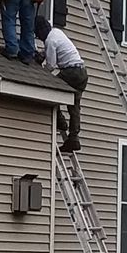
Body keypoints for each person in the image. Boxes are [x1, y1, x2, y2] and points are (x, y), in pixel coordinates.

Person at [36, 14, 88, 153]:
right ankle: (74, 138)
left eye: (38, 35)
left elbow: (51, 66)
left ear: (41, 31)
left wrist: (39, 68)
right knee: (74, 106)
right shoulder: (57, 32)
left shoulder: (50, 41)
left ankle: (60, 121)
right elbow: (59, 51)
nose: (39, 38)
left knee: (53, 90)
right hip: (82, 72)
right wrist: (43, 54)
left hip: (71, 72)